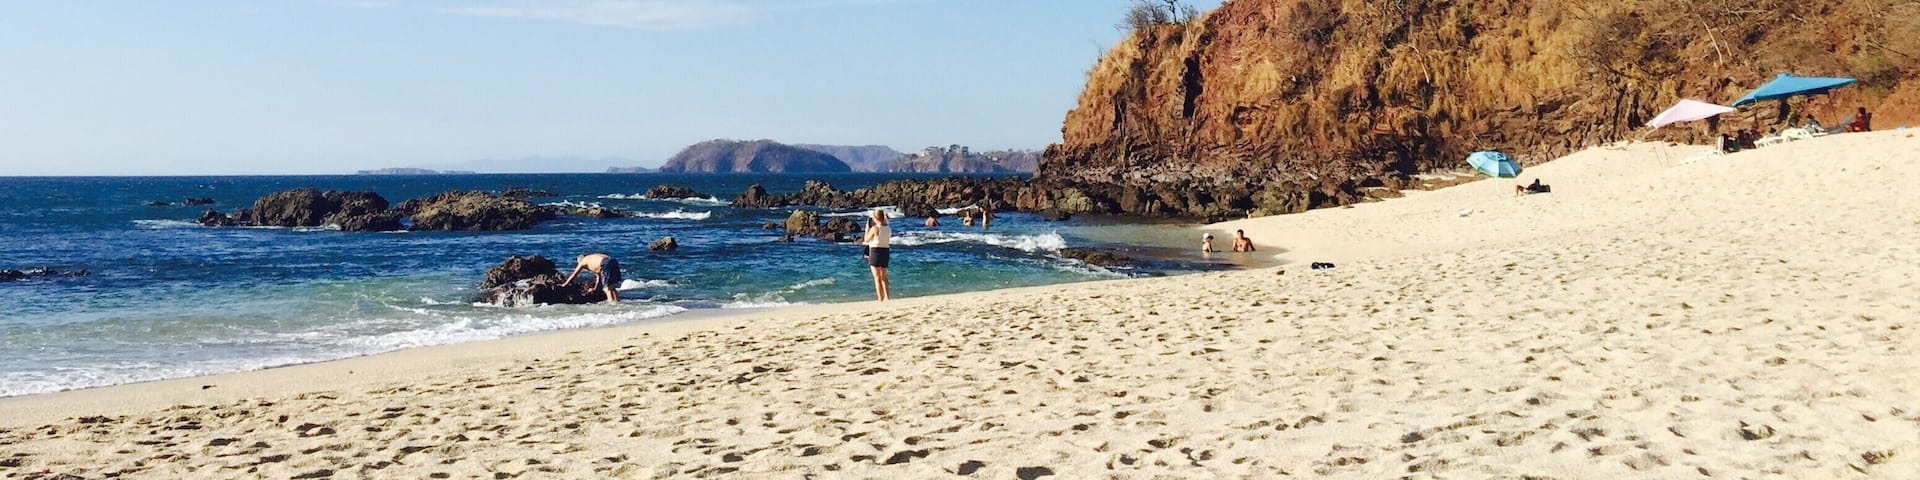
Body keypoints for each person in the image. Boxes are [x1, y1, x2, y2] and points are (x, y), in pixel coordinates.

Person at [860, 209, 893, 301]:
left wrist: (867, 229)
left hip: (875, 251)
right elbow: (885, 223)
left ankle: (880, 298)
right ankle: (887, 296)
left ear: (875, 218)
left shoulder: (875, 228)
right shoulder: (888, 228)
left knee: (877, 277)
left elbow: (866, 239)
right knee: (884, 276)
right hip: (885, 251)